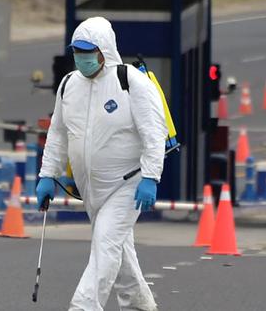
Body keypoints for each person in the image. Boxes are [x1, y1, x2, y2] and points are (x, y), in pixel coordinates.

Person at [36, 16, 166, 311]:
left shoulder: (130, 82)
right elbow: (58, 133)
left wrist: (150, 177)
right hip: (90, 189)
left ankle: (83, 306)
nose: (81, 58)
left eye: (87, 51)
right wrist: (48, 175)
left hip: (127, 184)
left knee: (105, 245)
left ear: (104, 50)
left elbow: (153, 132)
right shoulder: (69, 85)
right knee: (117, 247)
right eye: (77, 51)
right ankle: (139, 304)